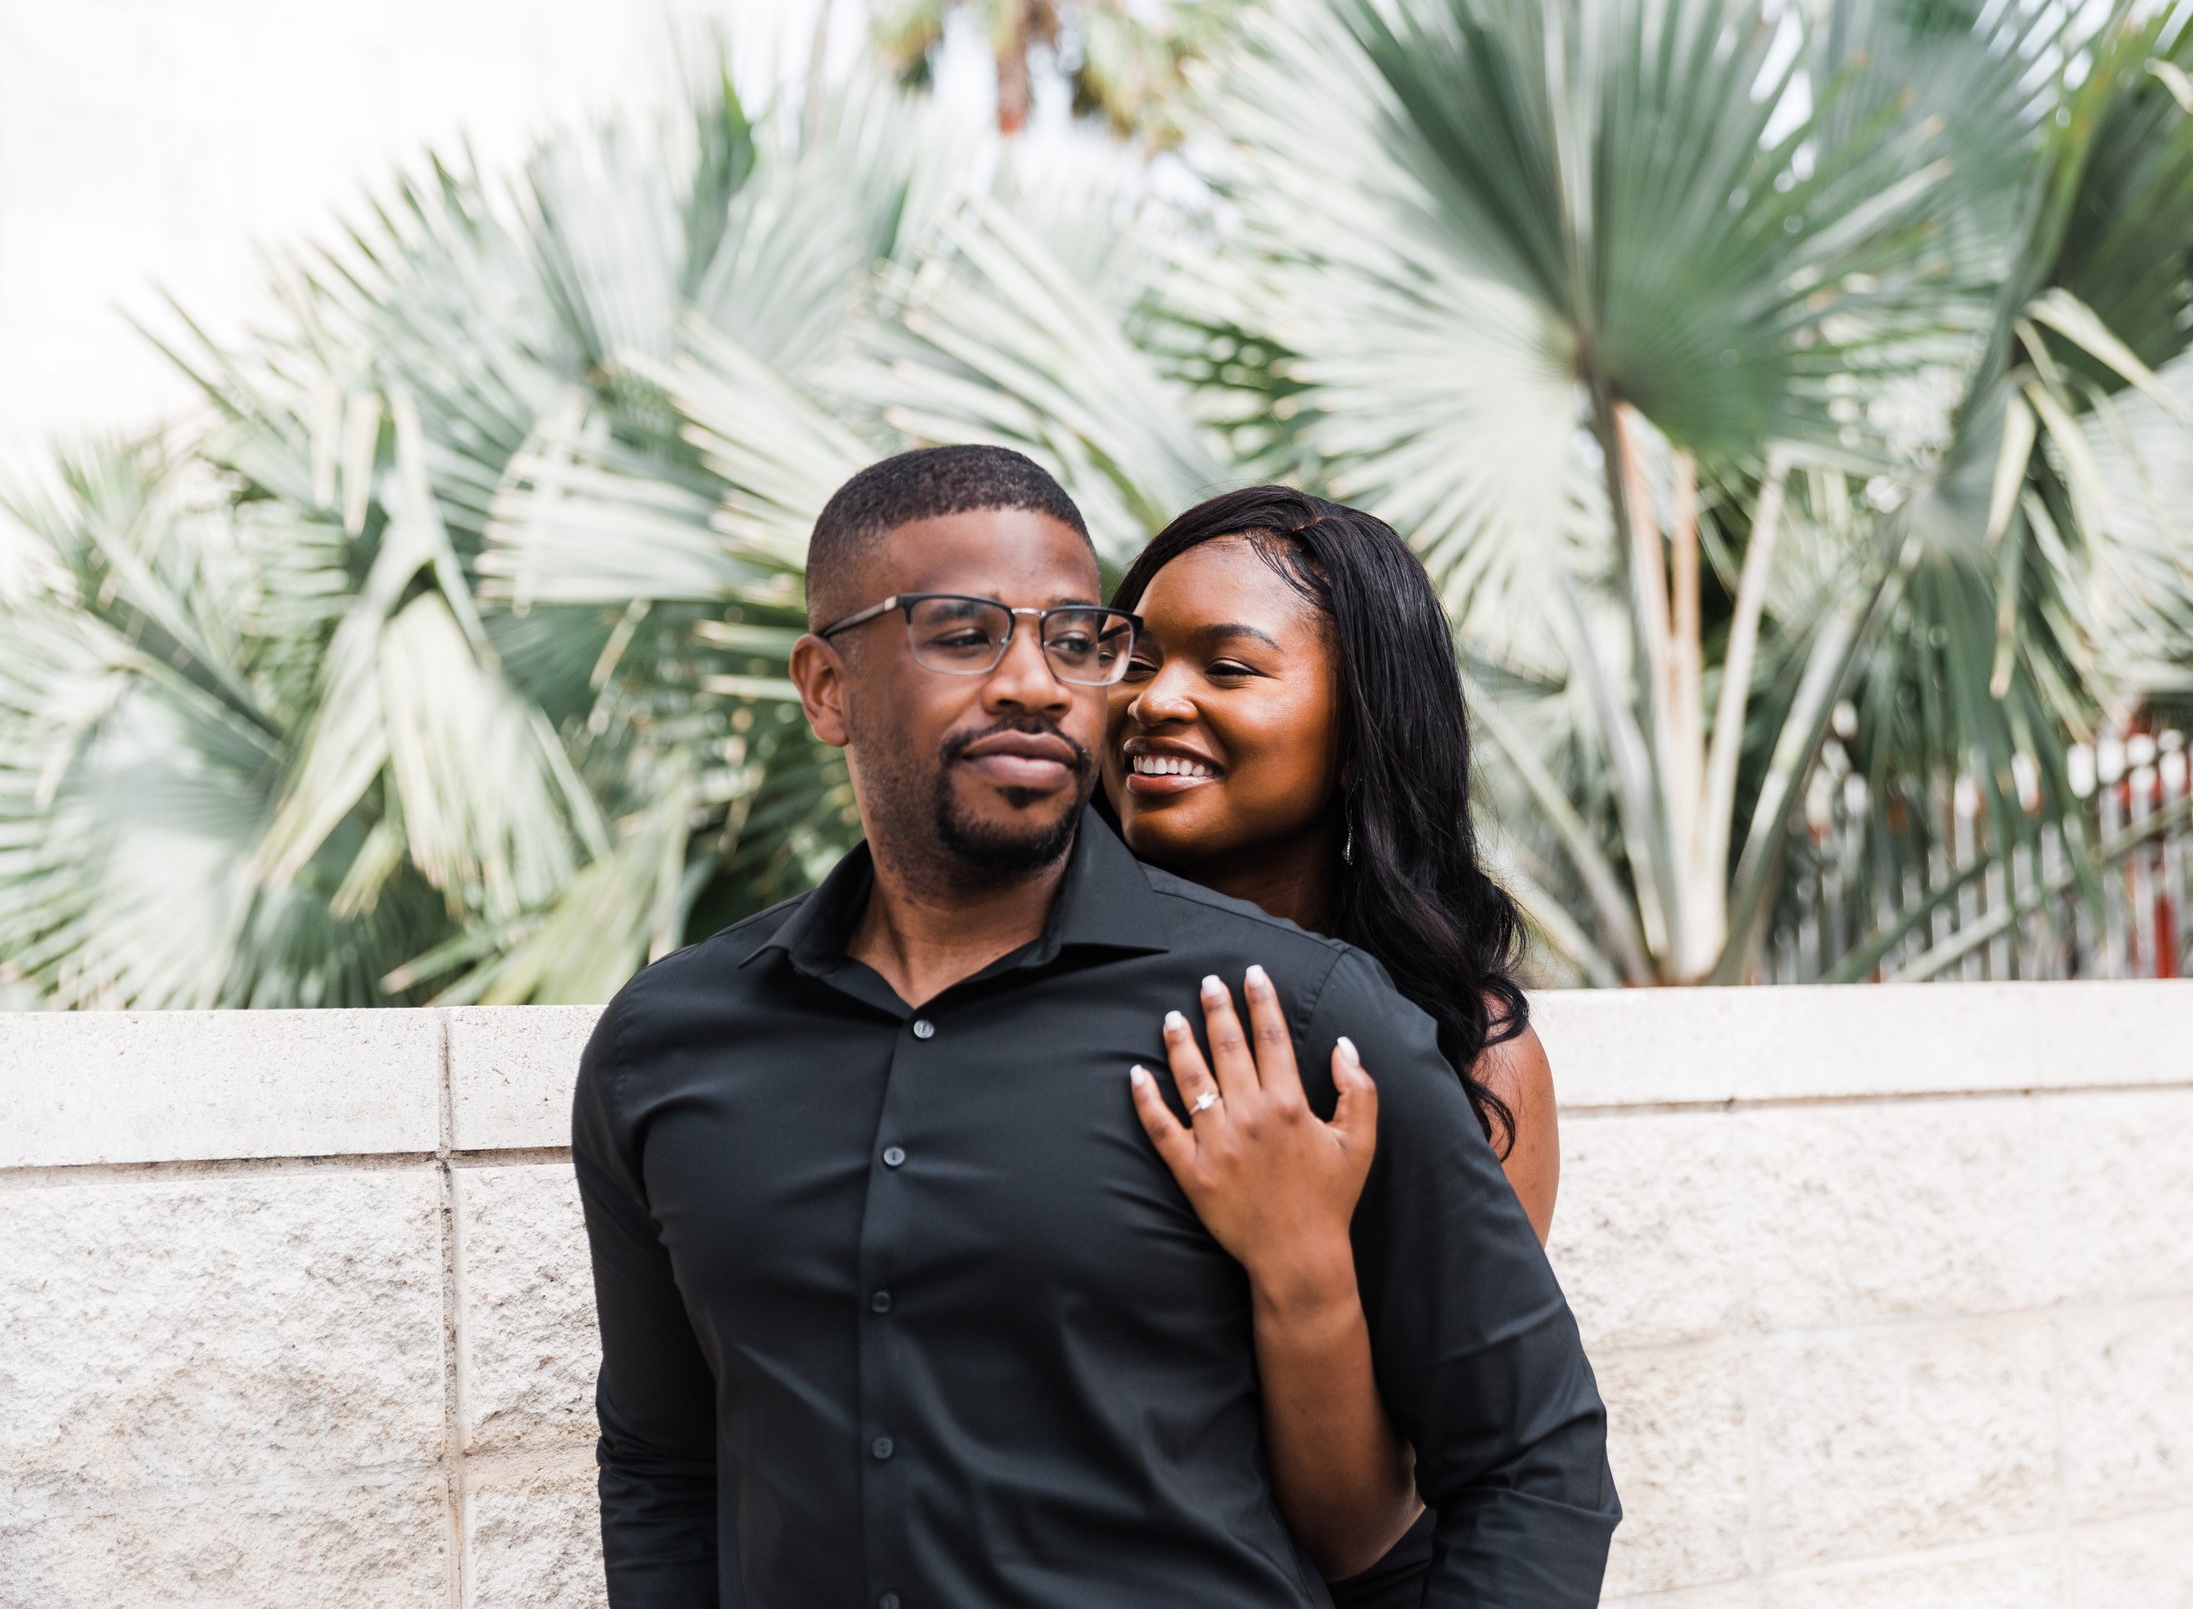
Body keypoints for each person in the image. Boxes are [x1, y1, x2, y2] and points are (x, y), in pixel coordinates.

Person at [572, 445, 1617, 1609]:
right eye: (963, 631)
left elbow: (1504, 1471)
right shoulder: (667, 1039)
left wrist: (1300, 1254)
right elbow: (664, 1461)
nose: (1043, 682)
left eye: (1072, 638)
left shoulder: (1350, 1023)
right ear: (825, 686)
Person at [1100, 487, 1560, 1603]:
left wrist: (1297, 1251)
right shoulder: (1000, 989)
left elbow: (1369, 1522)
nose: (1156, 701)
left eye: (1230, 667)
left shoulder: (1468, 1057)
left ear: (1359, 738)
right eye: (1134, 656)